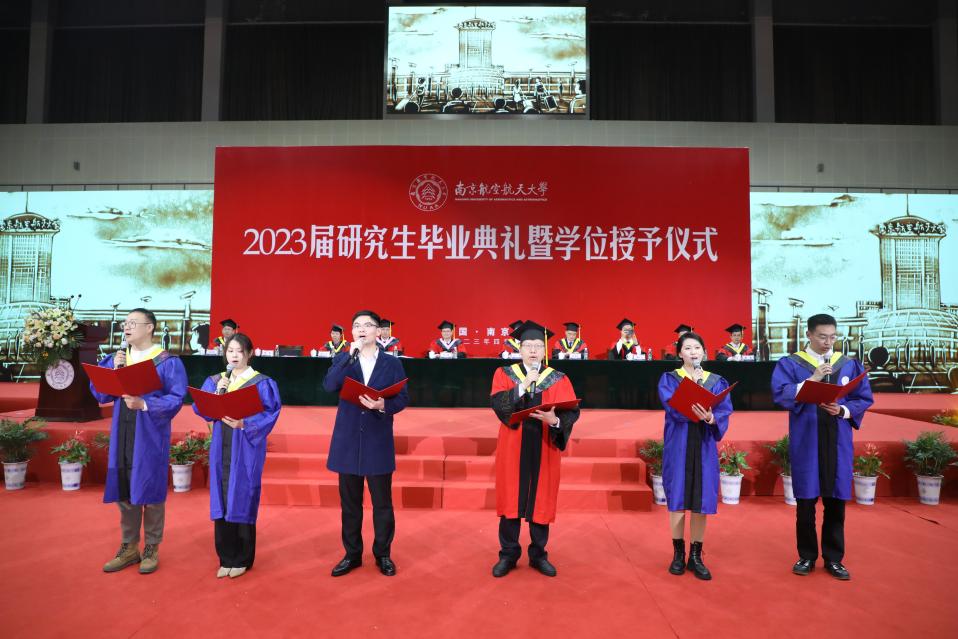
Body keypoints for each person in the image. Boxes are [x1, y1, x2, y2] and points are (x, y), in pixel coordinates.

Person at [771, 314, 874, 581]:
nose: (828, 342)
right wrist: (813, 379)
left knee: (836, 501)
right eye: (822, 337)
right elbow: (780, 394)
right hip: (807, 439)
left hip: (838, 440)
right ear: (809, 335)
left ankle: (834, 558)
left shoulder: (848, 363)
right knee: (805, 502)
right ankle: (806, 556)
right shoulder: (791, 364)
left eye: (832, 337)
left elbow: (863, 397)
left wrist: (843, 410)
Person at [90, 308, 187, 575]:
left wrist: (145, 403)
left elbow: (176, 398)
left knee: (151, 490)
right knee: (124, 488)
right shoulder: (118, 358)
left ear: (150, 327)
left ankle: (152, 547)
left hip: (150, 433)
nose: (127, 327)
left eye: (133, 323)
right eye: (126, 323)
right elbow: (100, 394)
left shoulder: (166, 362)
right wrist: (113, 369)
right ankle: (130, 546)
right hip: (122, 430)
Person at [489, 321, 580, 578]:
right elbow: (498, 405)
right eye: (528, 345)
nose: (532, 350)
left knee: (541, 500)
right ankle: (508, 554)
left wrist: (556, 421)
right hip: (513, 445)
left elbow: (571, 411)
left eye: (538, 346)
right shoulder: (504, 374)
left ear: (545, 350)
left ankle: (538, 555)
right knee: (511, 498)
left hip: (544, 444)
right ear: (519, 348)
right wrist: (522, 386)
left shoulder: (558, 378)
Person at [323, 310, 410, 577]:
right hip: (348, 440)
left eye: (367, 325)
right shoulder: (343, 358)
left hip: (377, 440)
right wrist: (349, 355)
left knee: (382, 504)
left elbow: (403, 398)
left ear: (378, 331)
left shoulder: (391, 363)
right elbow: (329, 385)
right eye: (357, 326)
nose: (362, 329)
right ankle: (352, 555)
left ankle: (383, 554)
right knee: (350, 505)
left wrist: (384, 404)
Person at [192, 333, 281, 579]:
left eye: (239, 351)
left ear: (249, 354)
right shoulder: (216, 380)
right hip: (221, 445)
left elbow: (271, 413)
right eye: (230, 351)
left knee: (243, 494)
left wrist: (245, 423)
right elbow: (201, 407)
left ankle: (242, 557)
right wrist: (216, 394)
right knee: (221, 497)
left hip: (246, 446)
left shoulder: (261, 382)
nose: (234, 355)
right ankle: (225, 557)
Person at [657, 333, 733, 580]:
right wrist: (693, 405)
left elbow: (724, 410)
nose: (693, 352)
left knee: (701, 500)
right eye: (688, 348)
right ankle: (678, 554)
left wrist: (711, 417)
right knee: (678, 497)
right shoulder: (670, 379)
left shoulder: (716, 381)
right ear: (680, 353)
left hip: (704, 443)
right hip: (678, 443)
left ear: (704, 352)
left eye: (697, 347)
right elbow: (671, 406)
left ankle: (696, 556)